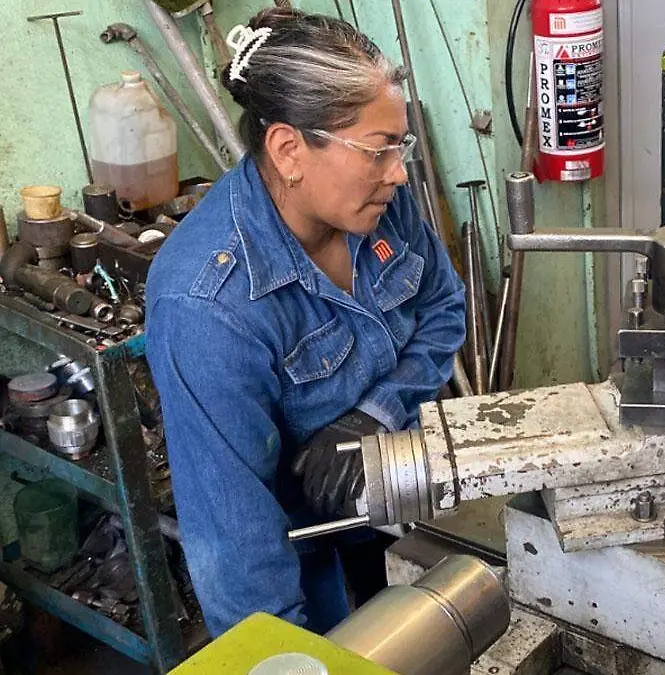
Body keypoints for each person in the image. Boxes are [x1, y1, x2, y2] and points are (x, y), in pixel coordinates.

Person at [143, 8, 466, 637]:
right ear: (290, 149)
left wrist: (375, 412)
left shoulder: (377, 209)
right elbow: (237, 551)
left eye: (400, 146)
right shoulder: (208, 309)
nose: (398, 172)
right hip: (296, 557)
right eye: (378, 151)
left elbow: (443, 311)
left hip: (391, 498)